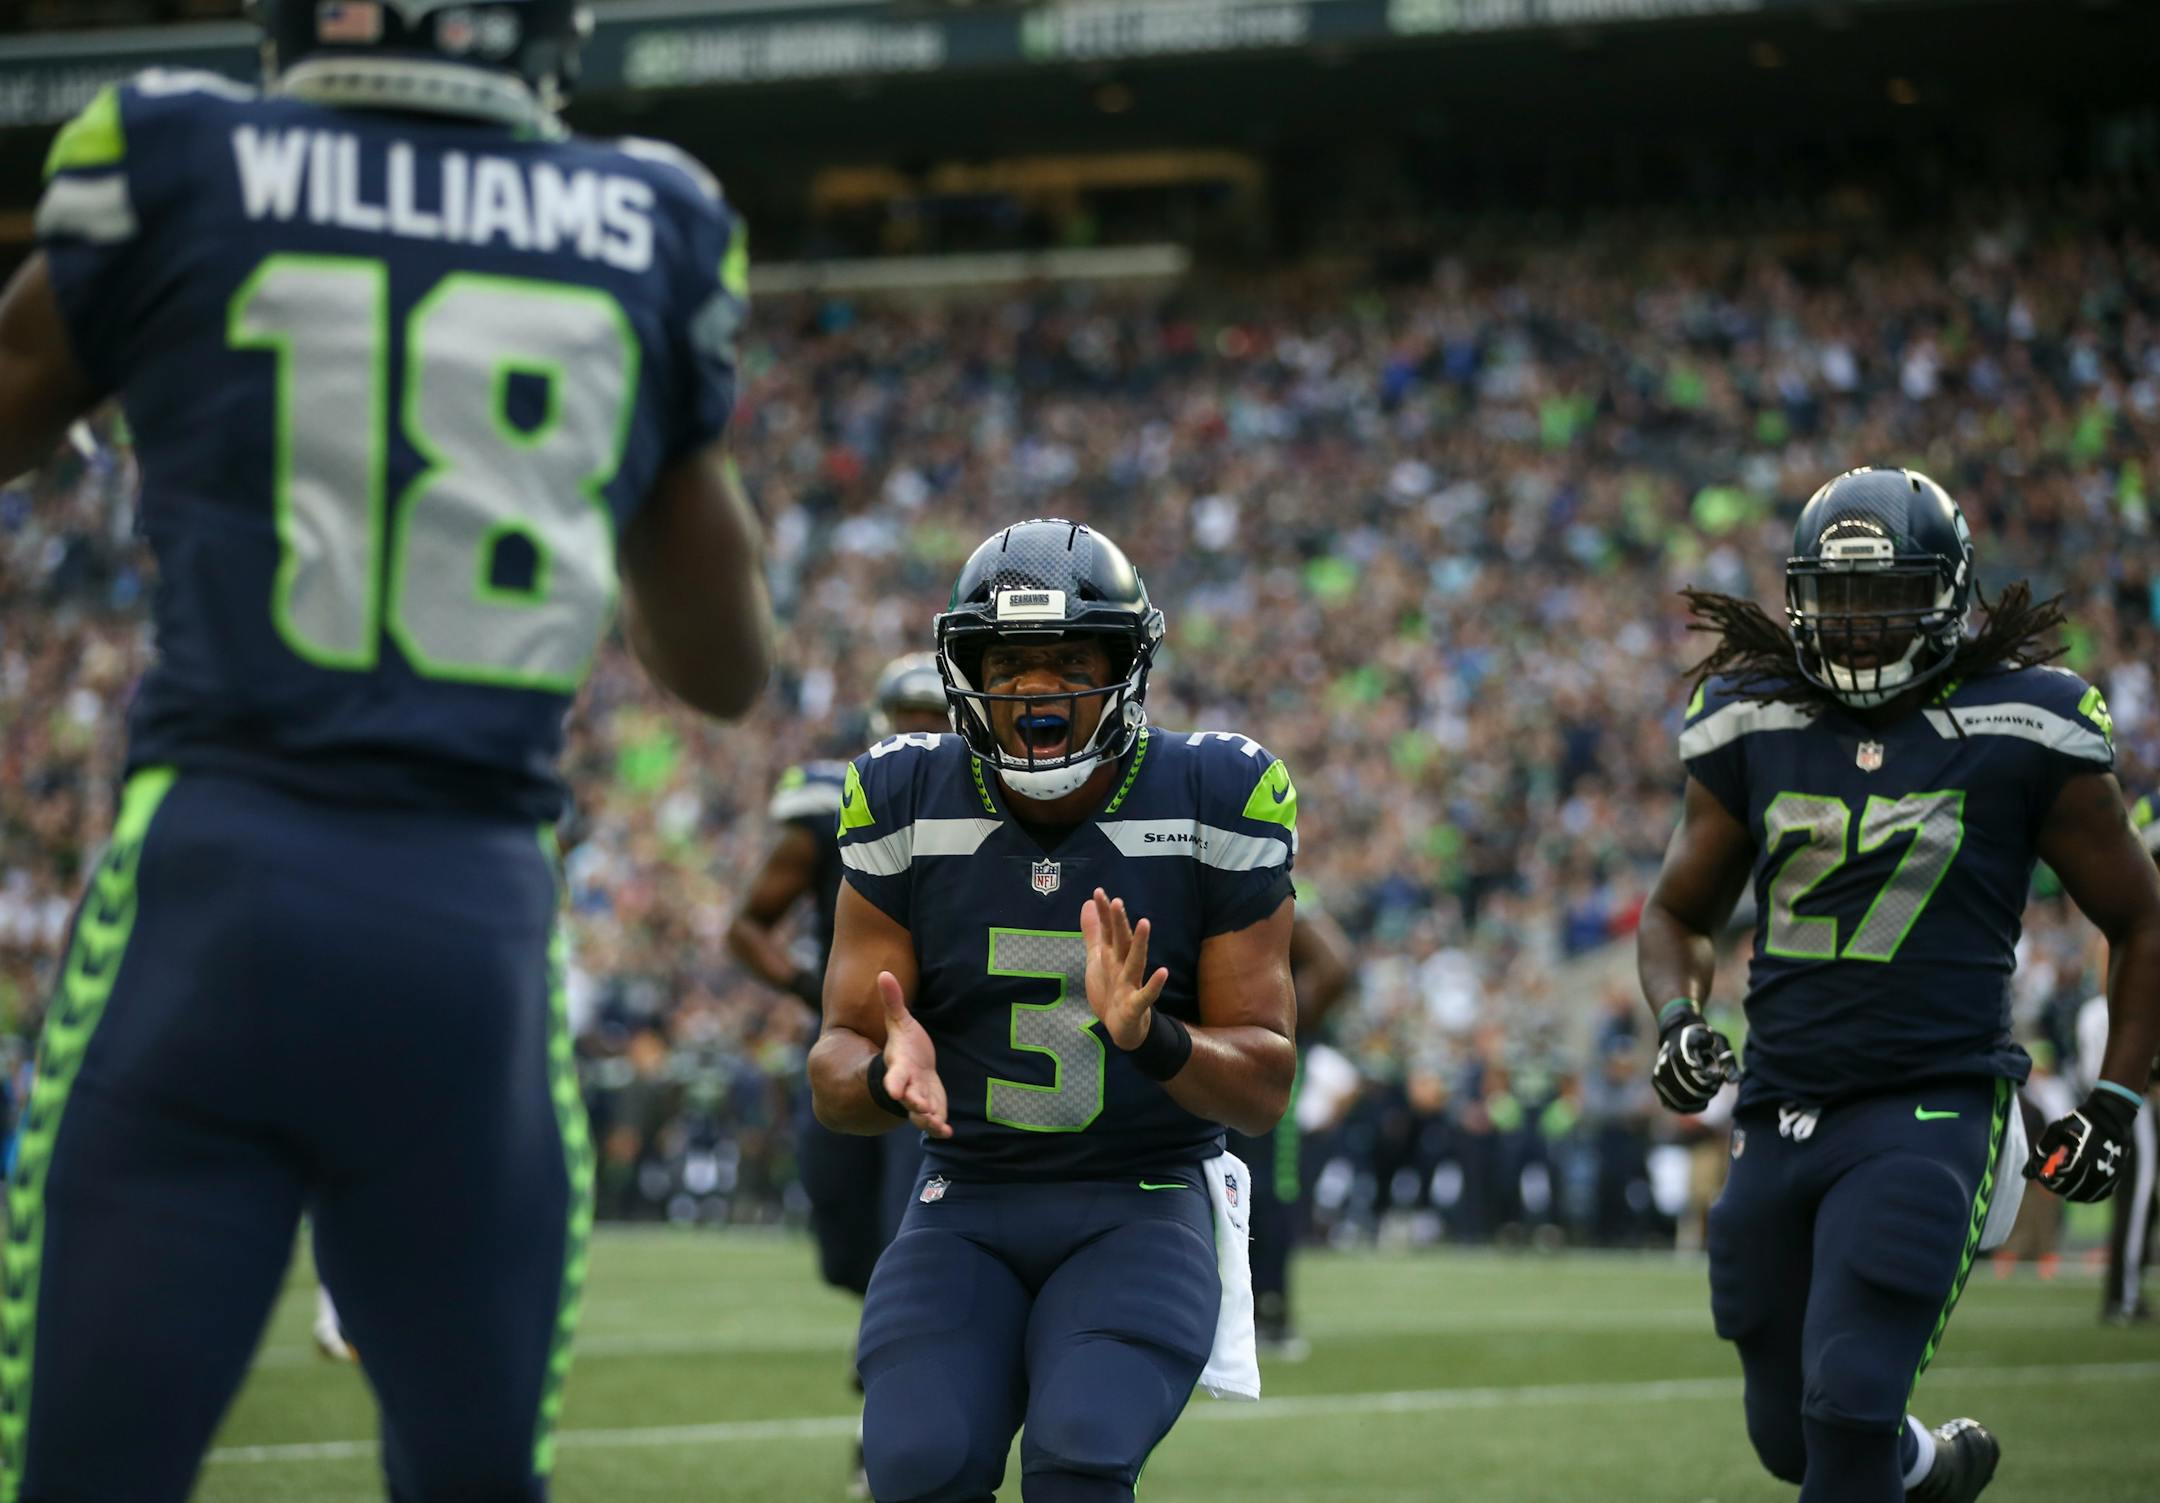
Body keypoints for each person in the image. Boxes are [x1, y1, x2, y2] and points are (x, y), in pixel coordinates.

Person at [0, 1, 773, 1496]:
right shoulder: (648, 217)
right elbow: (723, 667)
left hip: (210, 895)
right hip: (467, 927)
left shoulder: (175, 154)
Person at [1636, 467, 2160, 1503]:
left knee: (1848, 1405)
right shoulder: (1753, 719)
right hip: (1780, 1102)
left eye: (1887, 597)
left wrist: (2117, 1098)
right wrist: (1677, 1017)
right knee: (1792, 1436)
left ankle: (1888, 1454)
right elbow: (1676, 915)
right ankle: (1932, 1471)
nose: (1861, 626)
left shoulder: (2027, 723)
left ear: (1949, 596)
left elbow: (2143, 918)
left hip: (1936, 1102)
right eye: (1837, 599)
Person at [809, 518, 1297, 1503]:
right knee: (918, 1465)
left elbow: (1264, 1086)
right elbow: (834, 1068)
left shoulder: (1214, 791)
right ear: (963, 670)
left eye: (1071, 659)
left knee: (1080, 1453)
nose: (1039, 690)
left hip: (1143, 1197)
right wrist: (882, 1072)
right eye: (1012, 663)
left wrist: (1149, 1036)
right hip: (967, 1198)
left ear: (1126, 665)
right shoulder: (903, 793)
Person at [727, 652, 947, 1496]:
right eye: (910, 714)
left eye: (939, 715)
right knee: (847, 1241)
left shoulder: (997, 799)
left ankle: (887, 1423)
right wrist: (809, 992)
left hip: (944, 1060)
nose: (924, 733)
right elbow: (750, 924)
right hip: (855, 1050)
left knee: (909, 1246)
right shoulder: (836, 802)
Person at [1226, 903, 1353, 1358]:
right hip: (1240, 1045)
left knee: (1256, 1181)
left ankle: (1266, 1310)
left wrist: (1294, 1022)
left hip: (1231, 1045)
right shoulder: (1258, 873)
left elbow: (1337, 965)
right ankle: (1258, 1311)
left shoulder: (1268, 880)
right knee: (1249, 1180)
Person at [2076, 786, 2160, 1324]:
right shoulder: (2139, 905)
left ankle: (2126, 1288)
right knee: (2141, 1169)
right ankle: (2123, 1295)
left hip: (2118, 1030)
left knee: (2141, 1176)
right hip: (2116, 1035)